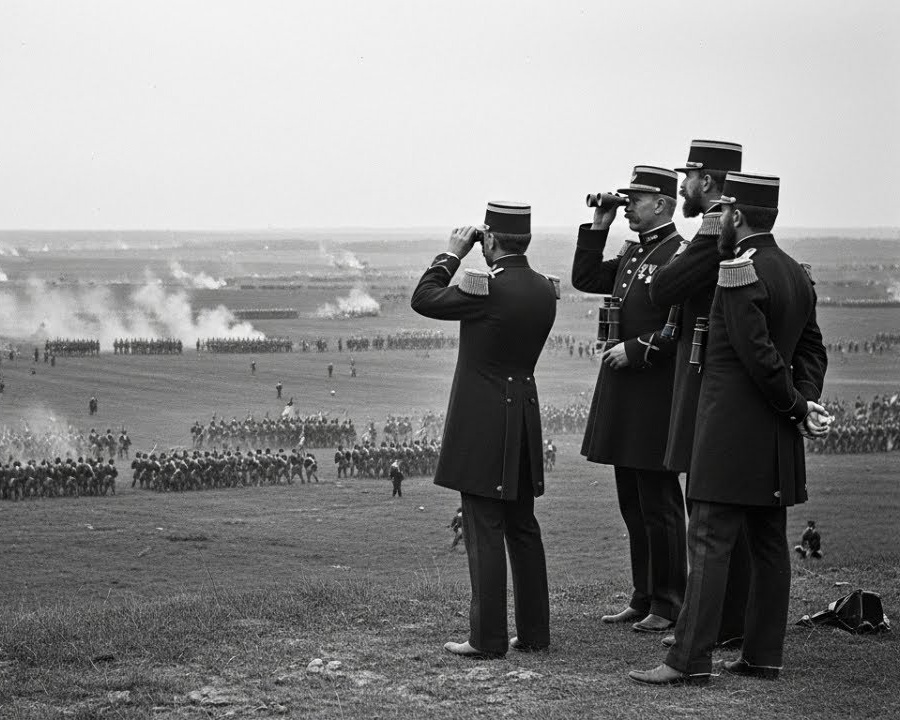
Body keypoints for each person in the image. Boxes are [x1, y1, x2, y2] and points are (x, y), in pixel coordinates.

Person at [630, 172, 829, 686]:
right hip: (775, 438)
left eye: (723, 214)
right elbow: (811, 350)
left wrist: (792, 403)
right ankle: (763, 656)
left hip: (731, 432)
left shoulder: (739, 273)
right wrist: (803, 402)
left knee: (710, 541)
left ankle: (688, 660)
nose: (717, 220)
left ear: (735, 216)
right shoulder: (794, 273)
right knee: (768, 544)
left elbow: (756, 357)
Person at [411, 201, 558, 658]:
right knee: (522, 526)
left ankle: (487, 638)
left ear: (488, 240)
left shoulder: (487, 289)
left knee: (484, 529)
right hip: (523, 419)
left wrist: (451, 254)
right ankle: (534, 633)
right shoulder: (542, 288)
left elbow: (425, 299)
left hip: (484, 423)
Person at [572, 166, 686, 634]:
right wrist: (599, 225)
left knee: (659, 505)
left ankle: (669, 601)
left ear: (661, 203)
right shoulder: (635, 251)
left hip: (655, 394)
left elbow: (685, 326)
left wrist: (638, 349)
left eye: (634, 200)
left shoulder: (680, 254)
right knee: (632, 505)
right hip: (626, 392)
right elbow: (584, 277)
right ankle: (643, 595)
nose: (628, 208)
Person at [650, 139, 750, 650]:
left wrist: (701, 240)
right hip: (706, 373)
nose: (682, 186)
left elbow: (662, 288)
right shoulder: (725, 229)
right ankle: (728, 623)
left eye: (687, 177)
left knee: (709, 515)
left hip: (707, 375)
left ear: (706, 182)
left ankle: (714, 625)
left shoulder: (714, 232)